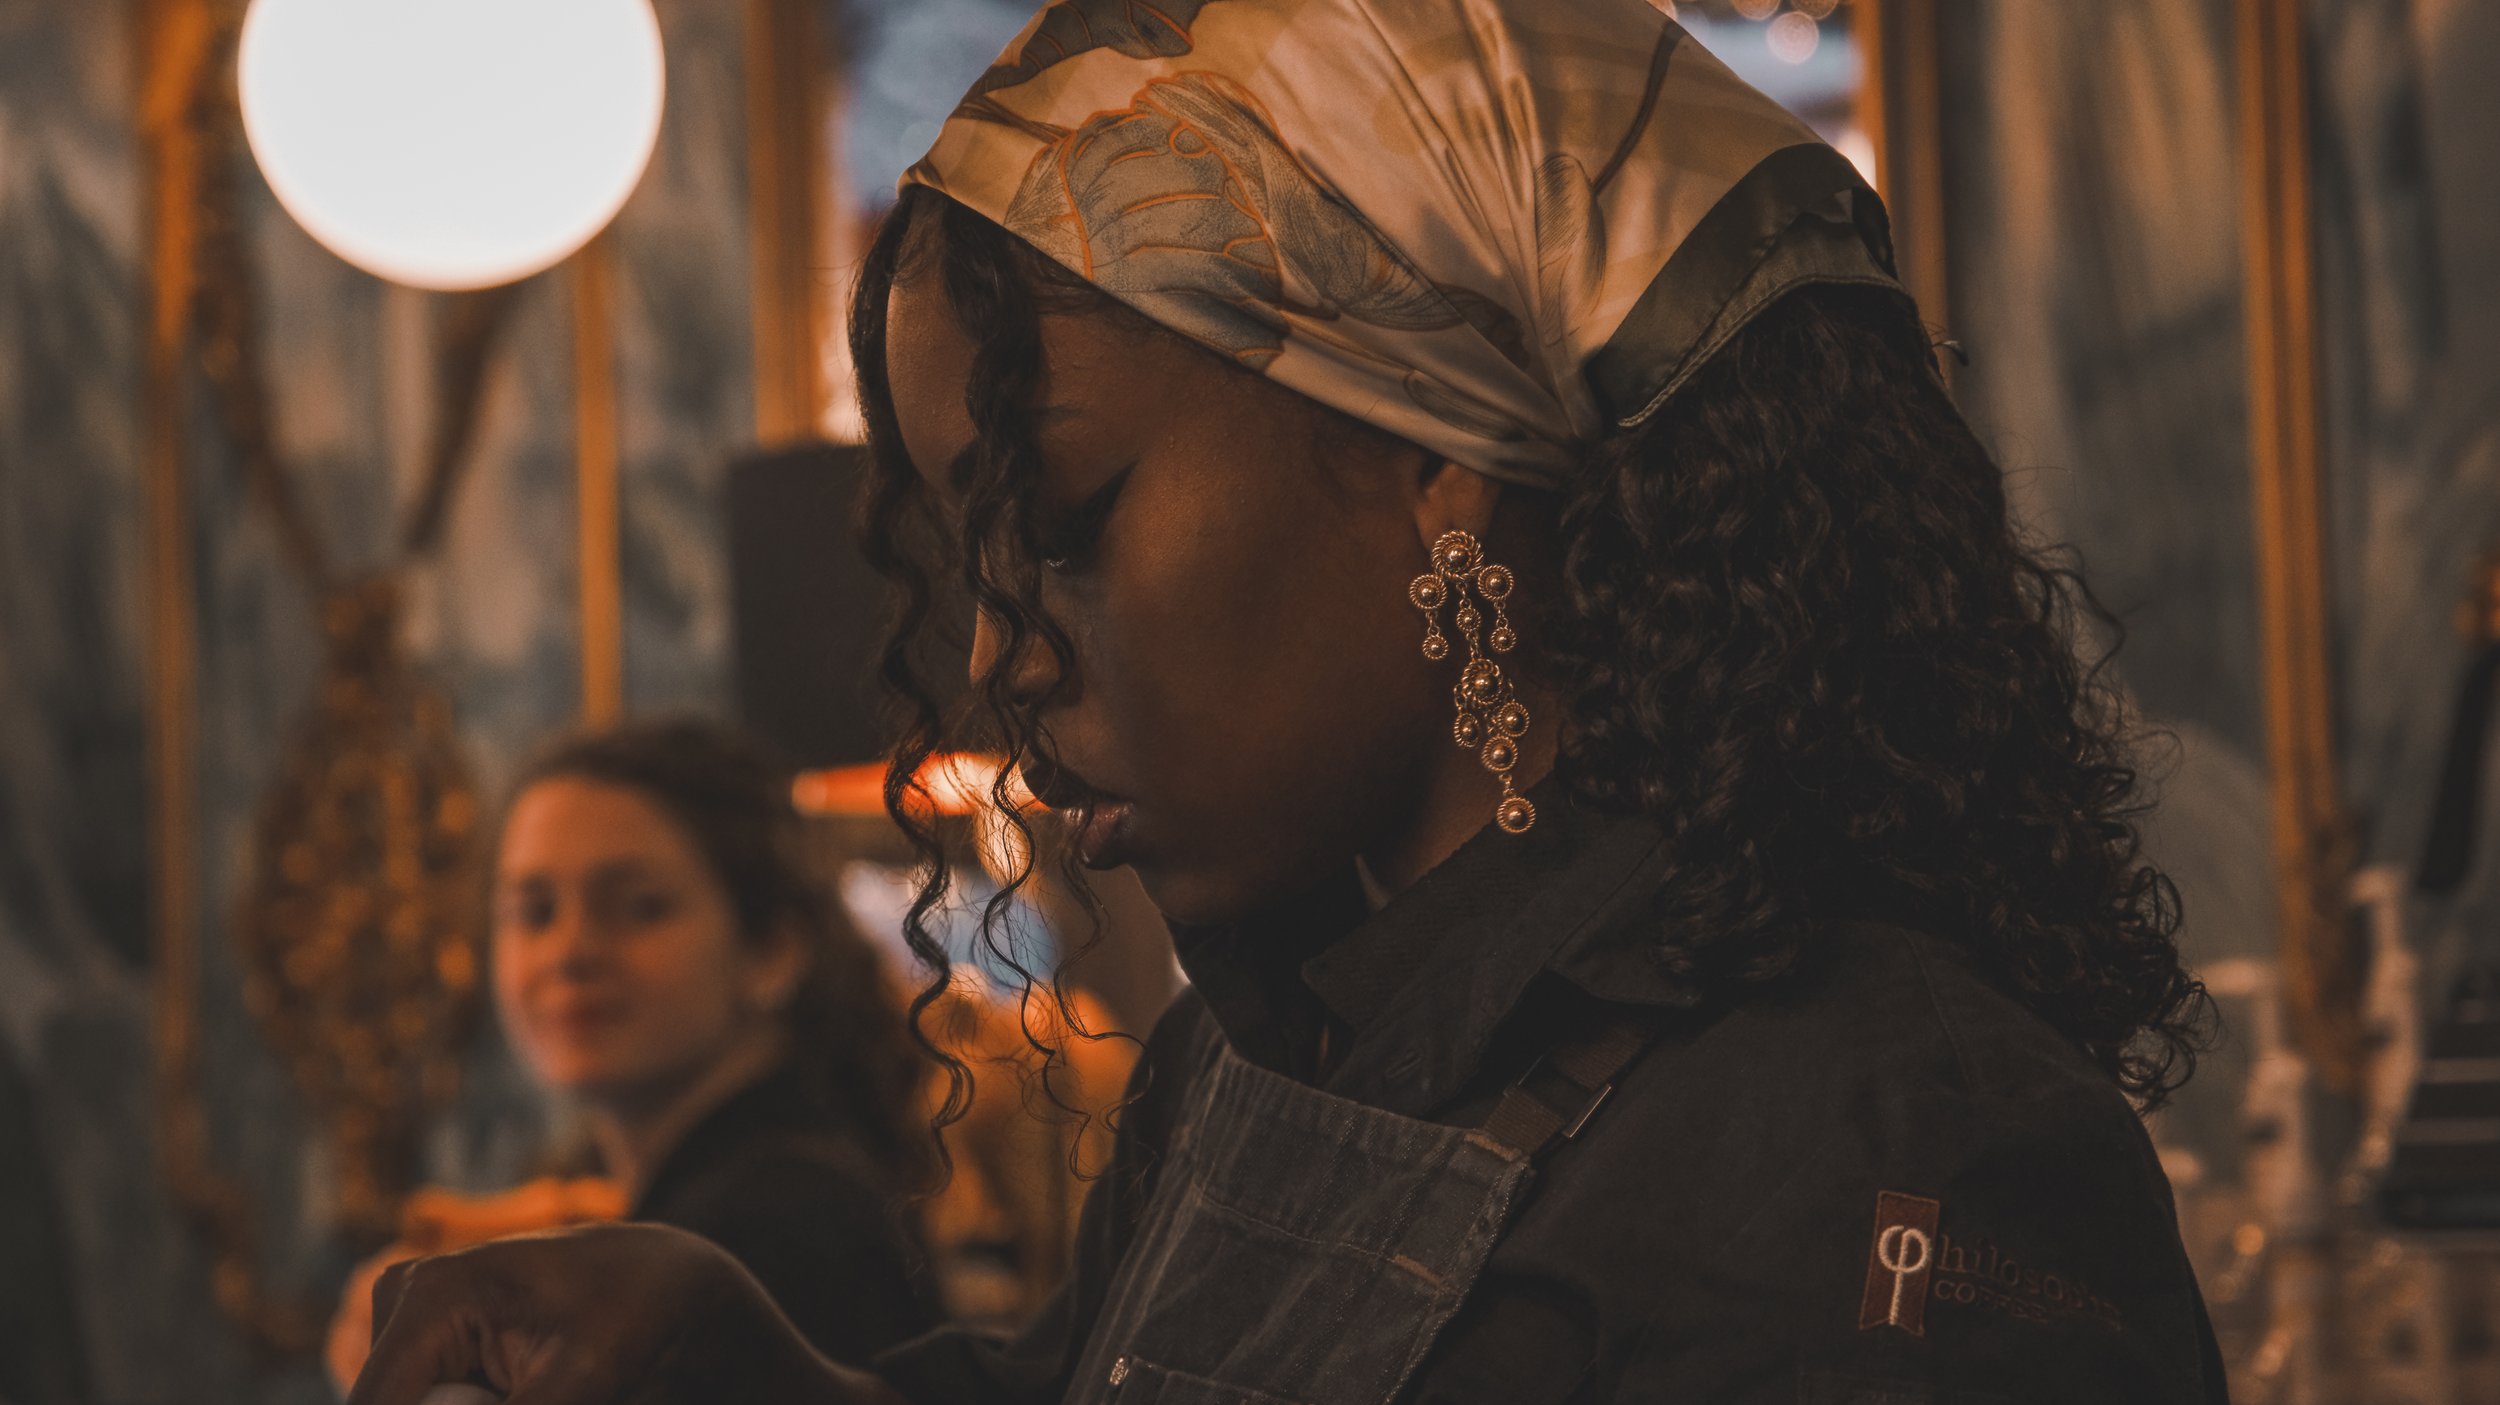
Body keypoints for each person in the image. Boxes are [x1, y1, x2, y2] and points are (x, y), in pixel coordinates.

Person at [347, 2, 2228, 1402]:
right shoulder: (1259, 1055)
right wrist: (753, 1377)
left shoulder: (1897, 1149)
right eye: (976, 565)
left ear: (1438, 467)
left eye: (1067, 526)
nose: (1000, 653)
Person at [332, 718, 940, 1384]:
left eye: (638, 907)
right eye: (535, 911)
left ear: (771, 951)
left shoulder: (774, 1229)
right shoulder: (698, 1201)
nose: (570, 951)